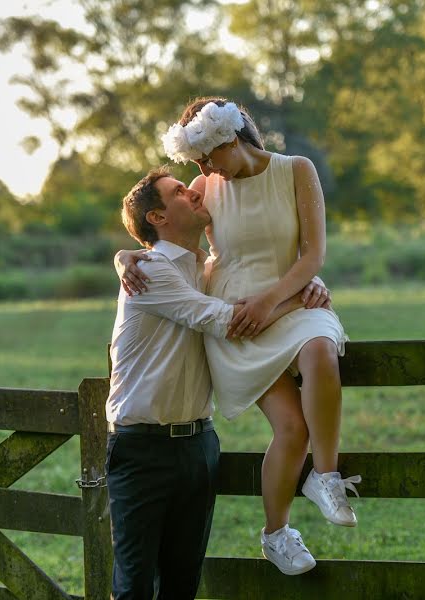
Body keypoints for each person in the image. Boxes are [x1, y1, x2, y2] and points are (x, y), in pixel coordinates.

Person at [116, 97, 360, 576]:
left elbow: (312, 254)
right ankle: (277, 534)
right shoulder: (206, 186)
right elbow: (158, 228)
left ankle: (326, 476)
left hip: (288, 298)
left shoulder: (296, 170)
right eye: (196, 163)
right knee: (291, 428)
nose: (203, 170)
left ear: (231, 137)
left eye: (208, 156)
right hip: (235, 312)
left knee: (320, 352)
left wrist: (280, 296)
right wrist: (124, 257)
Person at [107, 166, 323, 598]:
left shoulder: (204, 271)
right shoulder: (149, 271)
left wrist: (305, 279)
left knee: (183, 584)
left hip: (199, 446)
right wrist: (298, 298)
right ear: (158, 218)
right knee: (135, 586)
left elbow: (252, 283)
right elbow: (228, 322)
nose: (193, 191)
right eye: (178, 191)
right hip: (143, 447)